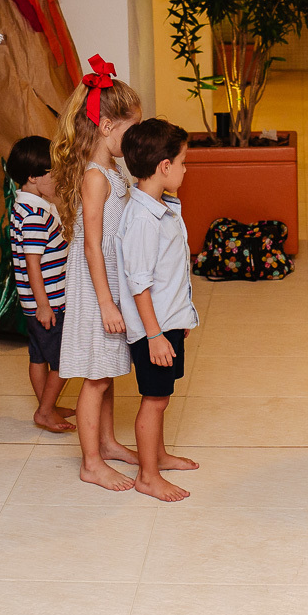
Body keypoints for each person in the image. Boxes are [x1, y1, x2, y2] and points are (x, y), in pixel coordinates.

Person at [54, 55, 142, 491]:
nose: (137, 137)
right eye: (132, 128)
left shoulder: (113, 168)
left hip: (109, 280)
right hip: (95, 286)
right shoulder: (95, 177)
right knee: (96, 376)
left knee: (106, 369)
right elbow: (92, 244)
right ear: (107, 126)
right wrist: (107, 301)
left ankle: (106, 442)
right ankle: (90, 461)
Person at [117, 119, 201, 502]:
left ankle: (159, 456)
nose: (186, 169)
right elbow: (139, 284)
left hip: (167, 322)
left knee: (162, 397)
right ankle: (147, 476)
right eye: (183, 162)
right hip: (154, 330)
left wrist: (179, 317)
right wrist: (154, 335)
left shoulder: (160, 207)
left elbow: (171, 272)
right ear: (164, 166)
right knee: (153, 400)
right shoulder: (141, 220)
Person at [8, 135, 77, 433]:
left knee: (38, 355)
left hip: (32, 304)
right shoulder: (35, 215)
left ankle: (44, 405)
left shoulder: (24, 207)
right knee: (65, 359)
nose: (59, 178)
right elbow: (33, 264)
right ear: (33, 177)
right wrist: (45, 306)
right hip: (49, 303)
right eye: (54, 173)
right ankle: (46, 410)